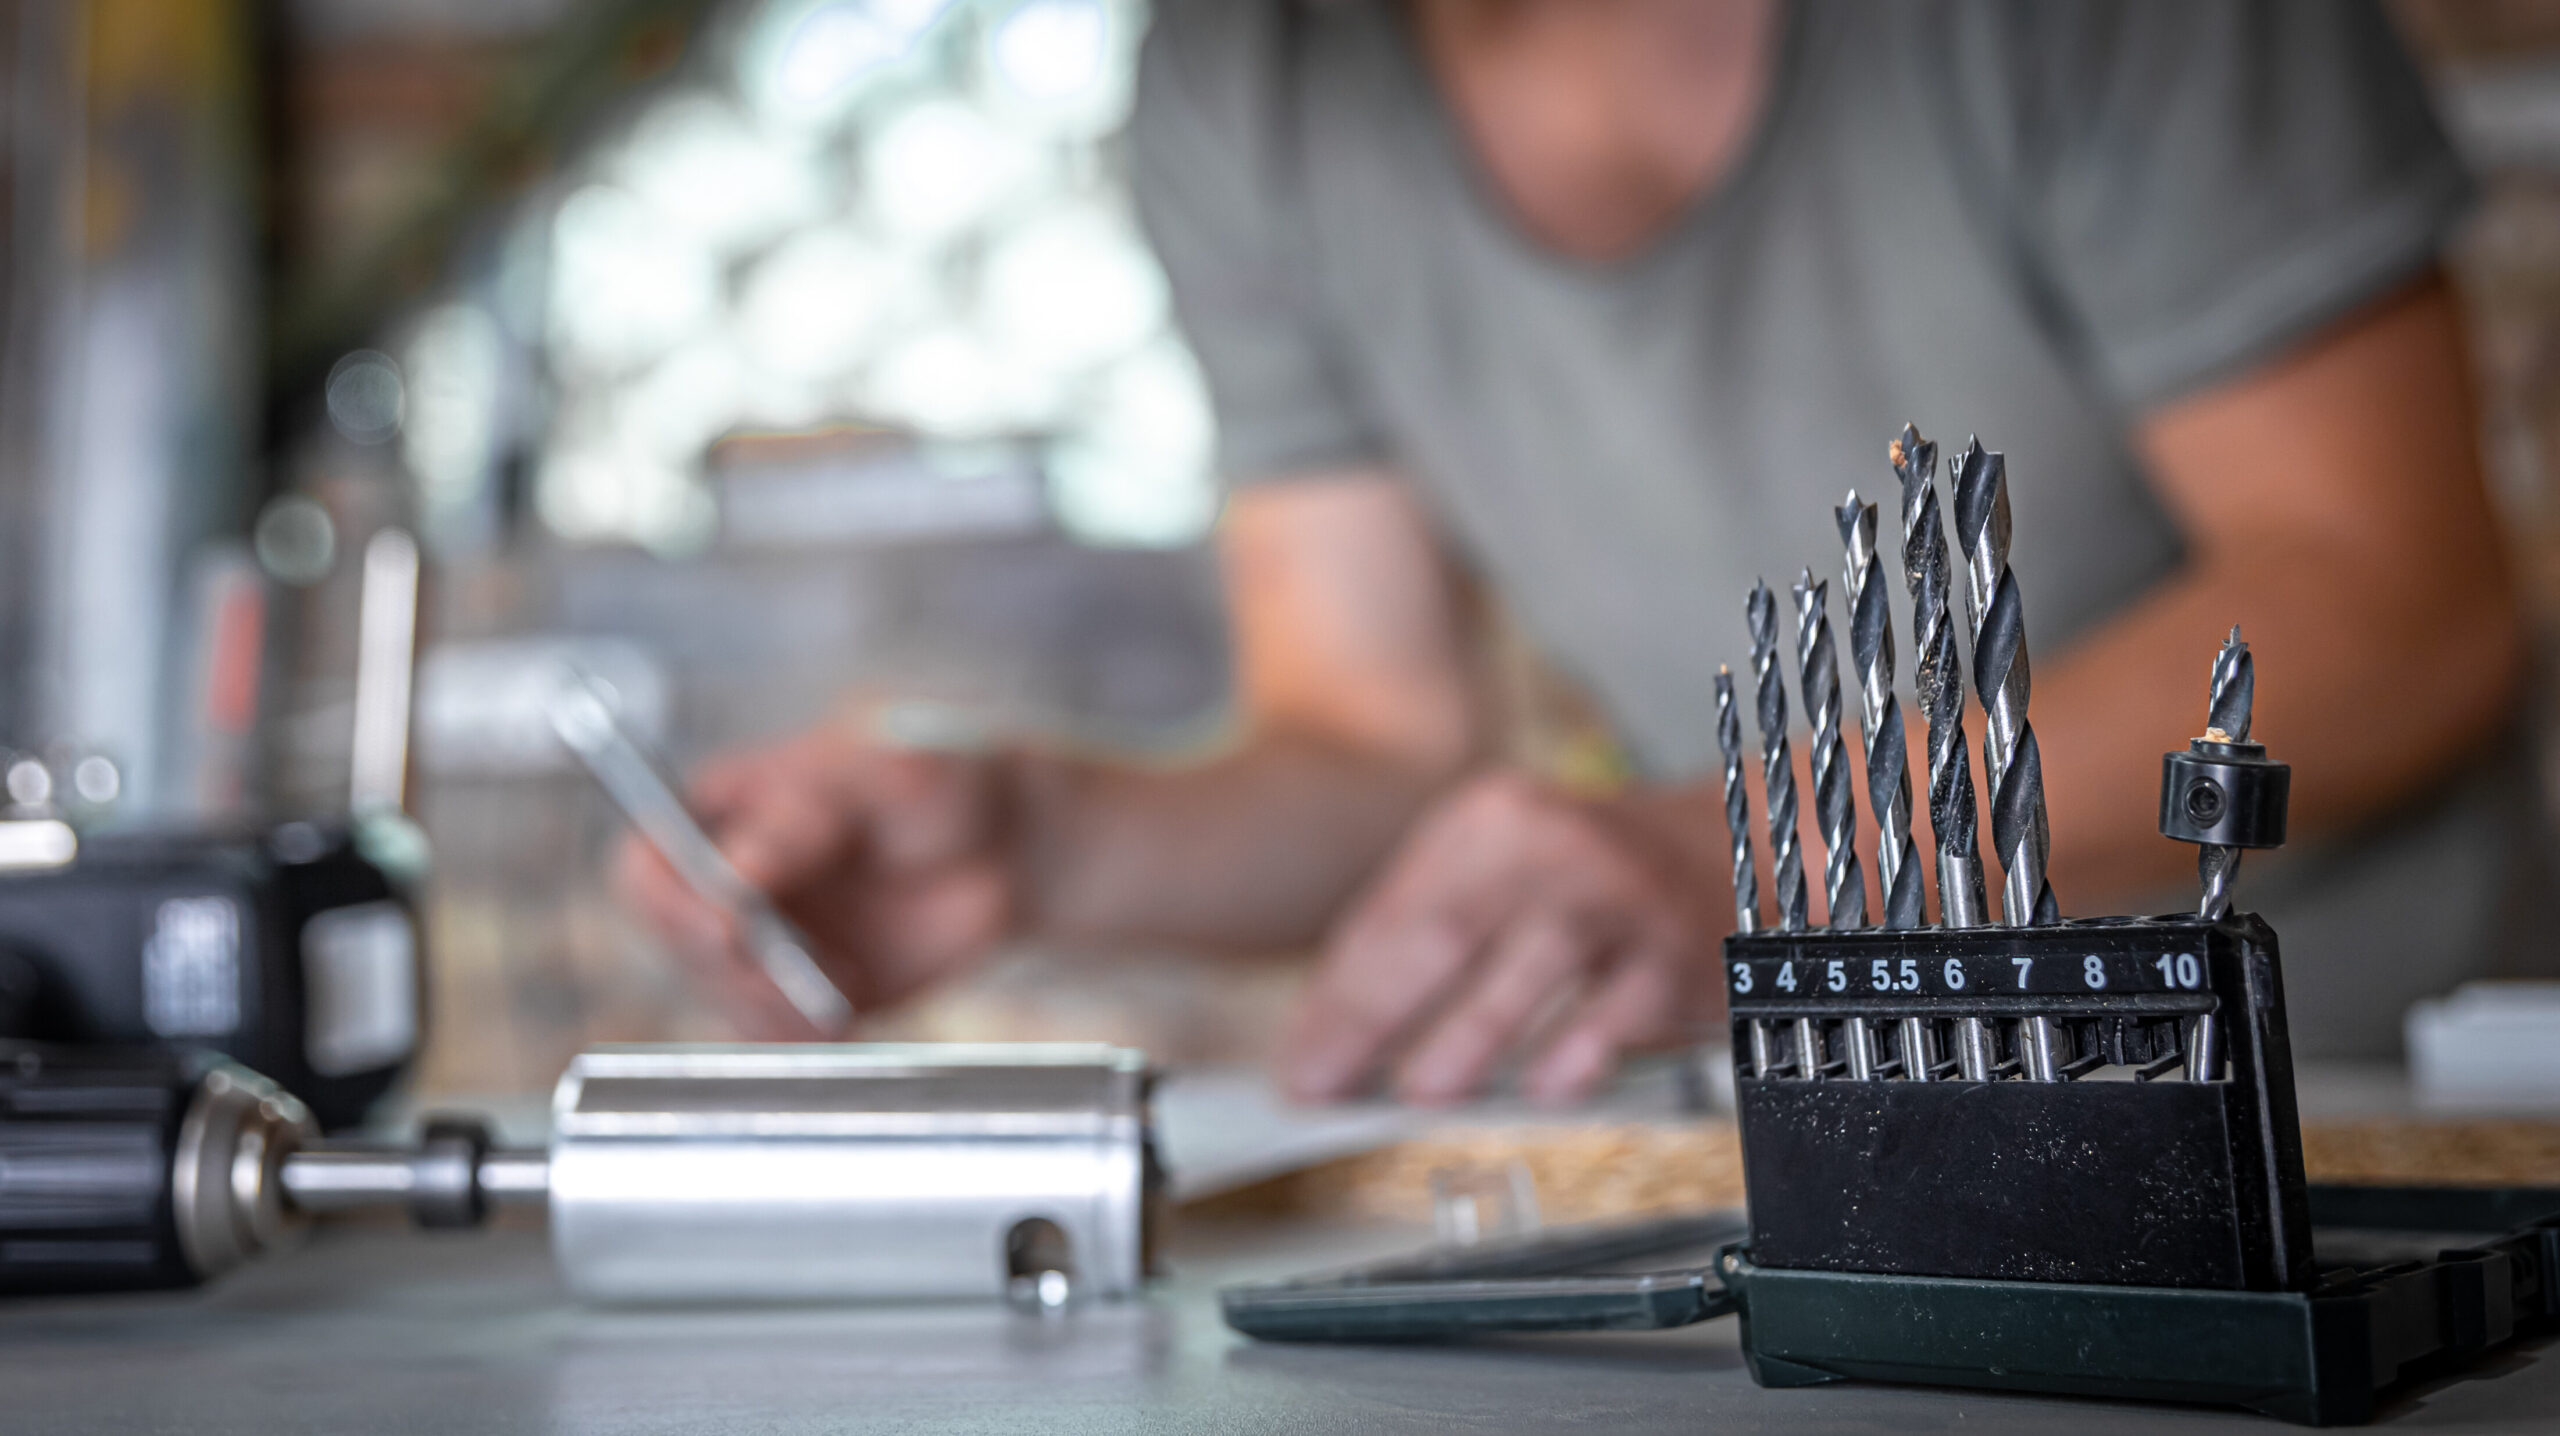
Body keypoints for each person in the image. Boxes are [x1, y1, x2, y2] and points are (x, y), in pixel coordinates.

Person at [622, 0, 2535, 1103]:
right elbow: (1377, 744)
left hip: (2356, 1134)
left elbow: (2396, 601)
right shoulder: (1246, 72)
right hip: (1821, 1158)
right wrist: (1037, 843)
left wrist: (1723, 863)